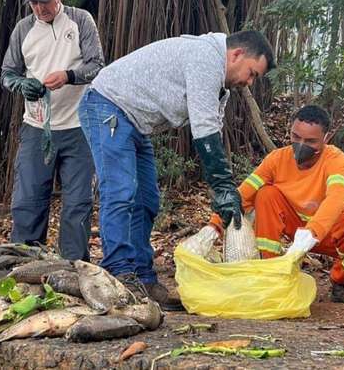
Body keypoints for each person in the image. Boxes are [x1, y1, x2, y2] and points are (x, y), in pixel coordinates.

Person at [78, 30, 275, 310]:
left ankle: (143, 277)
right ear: (237, 55)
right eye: (252, 73)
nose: (249, 83)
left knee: (147, 200)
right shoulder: (206, 57)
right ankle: (118, 273)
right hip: (107, 105)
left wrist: (225, 189)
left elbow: (212, 136)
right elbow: (204, 132)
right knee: (121, 192)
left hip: (134, 123)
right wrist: (221, 186)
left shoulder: (221, 88)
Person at [0, 0, 105, 261]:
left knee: (78, 202)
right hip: (37, 128)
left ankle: (73, 267)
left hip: (79, 126)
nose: (40, 9)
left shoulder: (80, 20)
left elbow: (97, 64)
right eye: (33, 3)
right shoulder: (23, 30)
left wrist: (70, 76)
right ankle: (24, 264)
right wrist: (22, 85)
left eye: (45, 1)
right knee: (28, 200)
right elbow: (7, 73)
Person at [236, 105, 344, 303]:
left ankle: (341, 280)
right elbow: (244, 193)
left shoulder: (337, 160)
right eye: (295, 137)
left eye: (310, 141)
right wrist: (213, 226)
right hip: (295, 228)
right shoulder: (277, 159)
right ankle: (271, 273)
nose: (301, 144)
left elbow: (336, 199)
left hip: (330, 233)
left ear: (325, 139)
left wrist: (313, 232)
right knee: (266, 194)